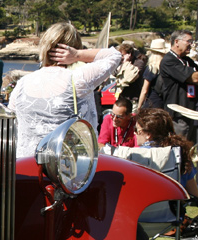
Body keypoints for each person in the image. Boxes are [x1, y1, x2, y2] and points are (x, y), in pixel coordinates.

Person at [10, 21, 122, 157]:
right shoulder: (79, 79)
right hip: (66, 169)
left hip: (26, 165)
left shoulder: (22, 83)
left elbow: (12, 118)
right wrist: (77, 55)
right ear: (72, 48)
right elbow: (114, 55)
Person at [135, 108, 198, 197]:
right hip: (173, 208)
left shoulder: (139, 156)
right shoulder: (179, 153)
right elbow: (194, 193)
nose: (135, 134)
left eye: (137, 130)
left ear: (148, 135)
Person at [154, 30, 198, 138]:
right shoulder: (169, 60)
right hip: (179, 113)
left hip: (191, 110)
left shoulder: (187, 60)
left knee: (191, 148)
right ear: (177, 42)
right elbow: (194, 78)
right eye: (188, 41)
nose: (191, 44)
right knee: (180, 147)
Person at [136, 38, 167, 113]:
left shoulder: (152, 68)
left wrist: (139, 106)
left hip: (152, 102)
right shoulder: (167, 68)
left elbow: (144, 90)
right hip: (164, 101)